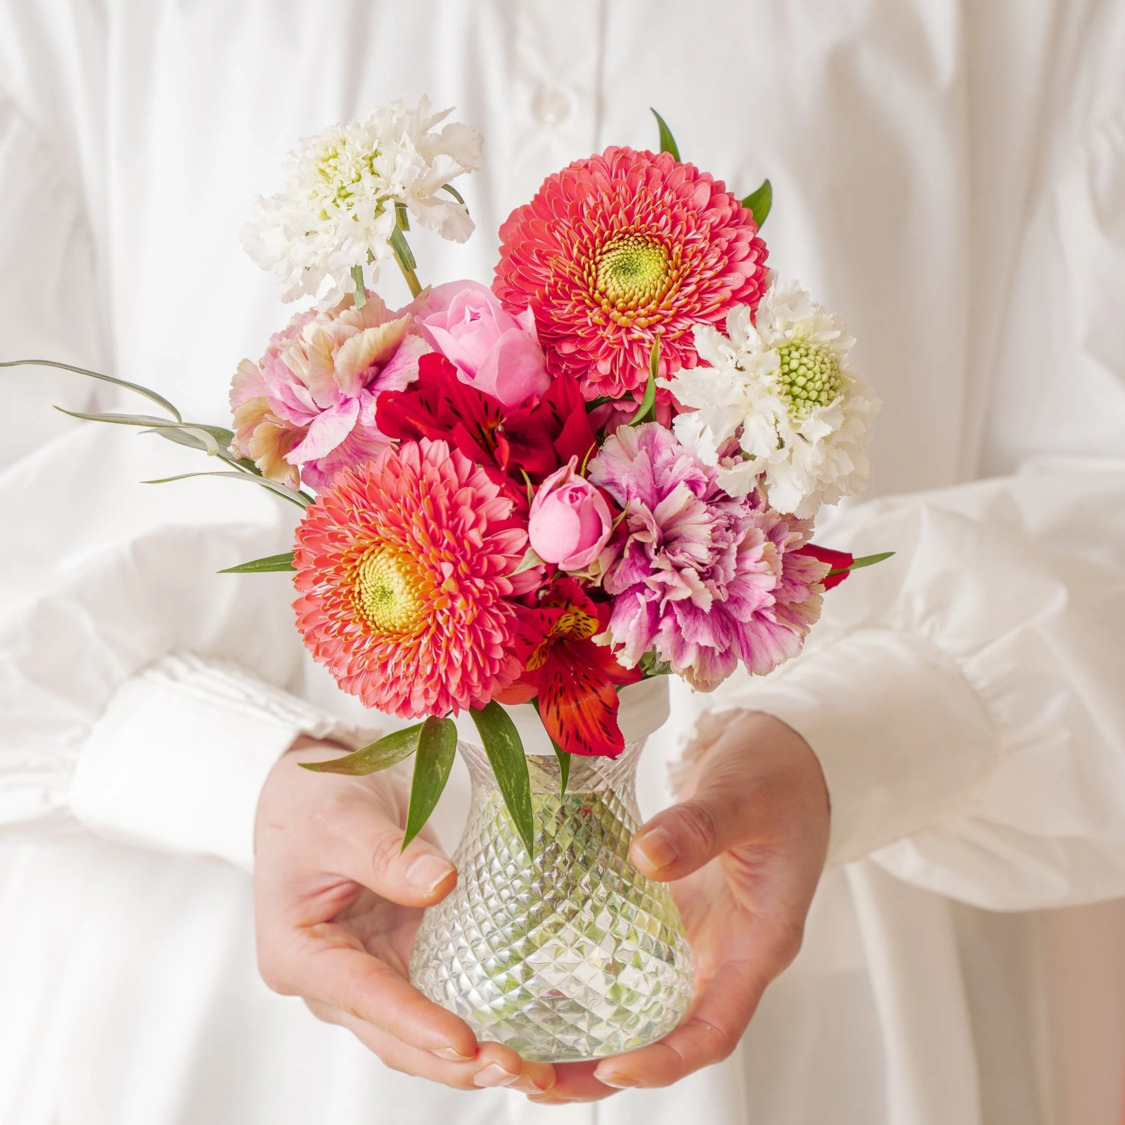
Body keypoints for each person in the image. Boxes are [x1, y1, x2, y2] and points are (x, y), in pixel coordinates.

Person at [2, 1, 1124, 1123]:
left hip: (821, 1017)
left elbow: (1101, 492)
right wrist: (227, 762)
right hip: (206, 1021)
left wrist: (845, 743)